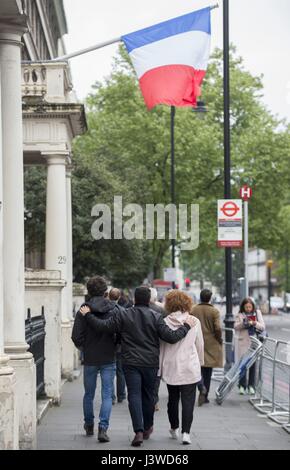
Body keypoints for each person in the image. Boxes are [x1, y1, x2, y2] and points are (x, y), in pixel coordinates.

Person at [79, 286, 196, 447]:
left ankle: (138, 431)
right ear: (149, 300)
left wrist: (89, 316)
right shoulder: (156, 316)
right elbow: (171, 337)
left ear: (135, 299)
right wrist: (186, 327)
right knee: (149, 396)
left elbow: (104, 326)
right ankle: (148, 427)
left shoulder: (124, 314)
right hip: (150, 363)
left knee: (134, 395)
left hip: (130, 362)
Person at [71, 276, 118, 443]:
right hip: (108, 356)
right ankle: (103, 428)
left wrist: (84, 348)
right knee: (106, 394)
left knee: (88, 394)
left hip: (90, 356)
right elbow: (119, 331)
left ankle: (89, 424)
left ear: (88, 291)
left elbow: (76, 336)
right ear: (105, 291)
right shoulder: (113, 308)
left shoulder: (84, 309)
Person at [159, 290, 204, 445]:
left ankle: (174, 427)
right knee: (188, 401)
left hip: (171, 366)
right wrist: (200, 362)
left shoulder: (165, 321)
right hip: (189, 366)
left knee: (173, 399)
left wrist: (160, 366)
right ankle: (186, 433)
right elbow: (199, 344)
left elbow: (162, 346)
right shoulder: (194, 321)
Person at [191, 289, 223, 406]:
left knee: (197, 368)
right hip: (211, 343)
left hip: (196, 342)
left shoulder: (193, 309)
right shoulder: (214, 311)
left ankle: (200, 387)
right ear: (210, 298)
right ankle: (205, 395)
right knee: (208, 371)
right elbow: (218, 328)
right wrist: (219, 339)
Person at [234, 297, 265, 395]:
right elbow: (235, 326)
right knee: (243, 365)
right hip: (243, 343)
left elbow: (263, 327)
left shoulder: (257, 313)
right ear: (243, 307)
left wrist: (255, 323)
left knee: (253, 365)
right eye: (246, 307)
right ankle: (242, 386)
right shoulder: (240, 314)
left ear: (253, 306)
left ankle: (251, 386)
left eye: (250, 307)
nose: (248, 309)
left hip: (253, 343)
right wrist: (244, 323)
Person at [108, 288, 127, 404]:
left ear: (109, 296)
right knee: (120, 371)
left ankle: (111, 396)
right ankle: (121, 395)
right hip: (120, 345)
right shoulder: (123, 311)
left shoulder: (104, 309)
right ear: (119, 297)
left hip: (107, 344)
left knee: (109, 371)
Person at [149, 287, 165, 411]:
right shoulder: (160, 310)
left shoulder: (132, 309)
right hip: (156, 346)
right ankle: (154, 401)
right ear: (154, 298)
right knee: (156, 377)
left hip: (138, 348)